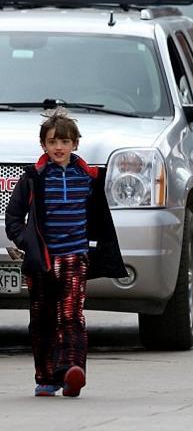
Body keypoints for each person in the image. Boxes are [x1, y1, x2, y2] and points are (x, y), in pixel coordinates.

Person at [4, 108, 127, 398]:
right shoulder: (34, 178)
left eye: (64, 141)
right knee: (43, 318)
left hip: (75, 258)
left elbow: (99, 218)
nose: (58, 147)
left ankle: (72, 370)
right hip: (43, 261)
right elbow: (13, 219)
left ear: (75, 144)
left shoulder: (88, 178)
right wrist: (28, 243)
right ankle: (47, 377)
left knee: (71, 316)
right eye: (52, 142)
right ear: (43, 145)